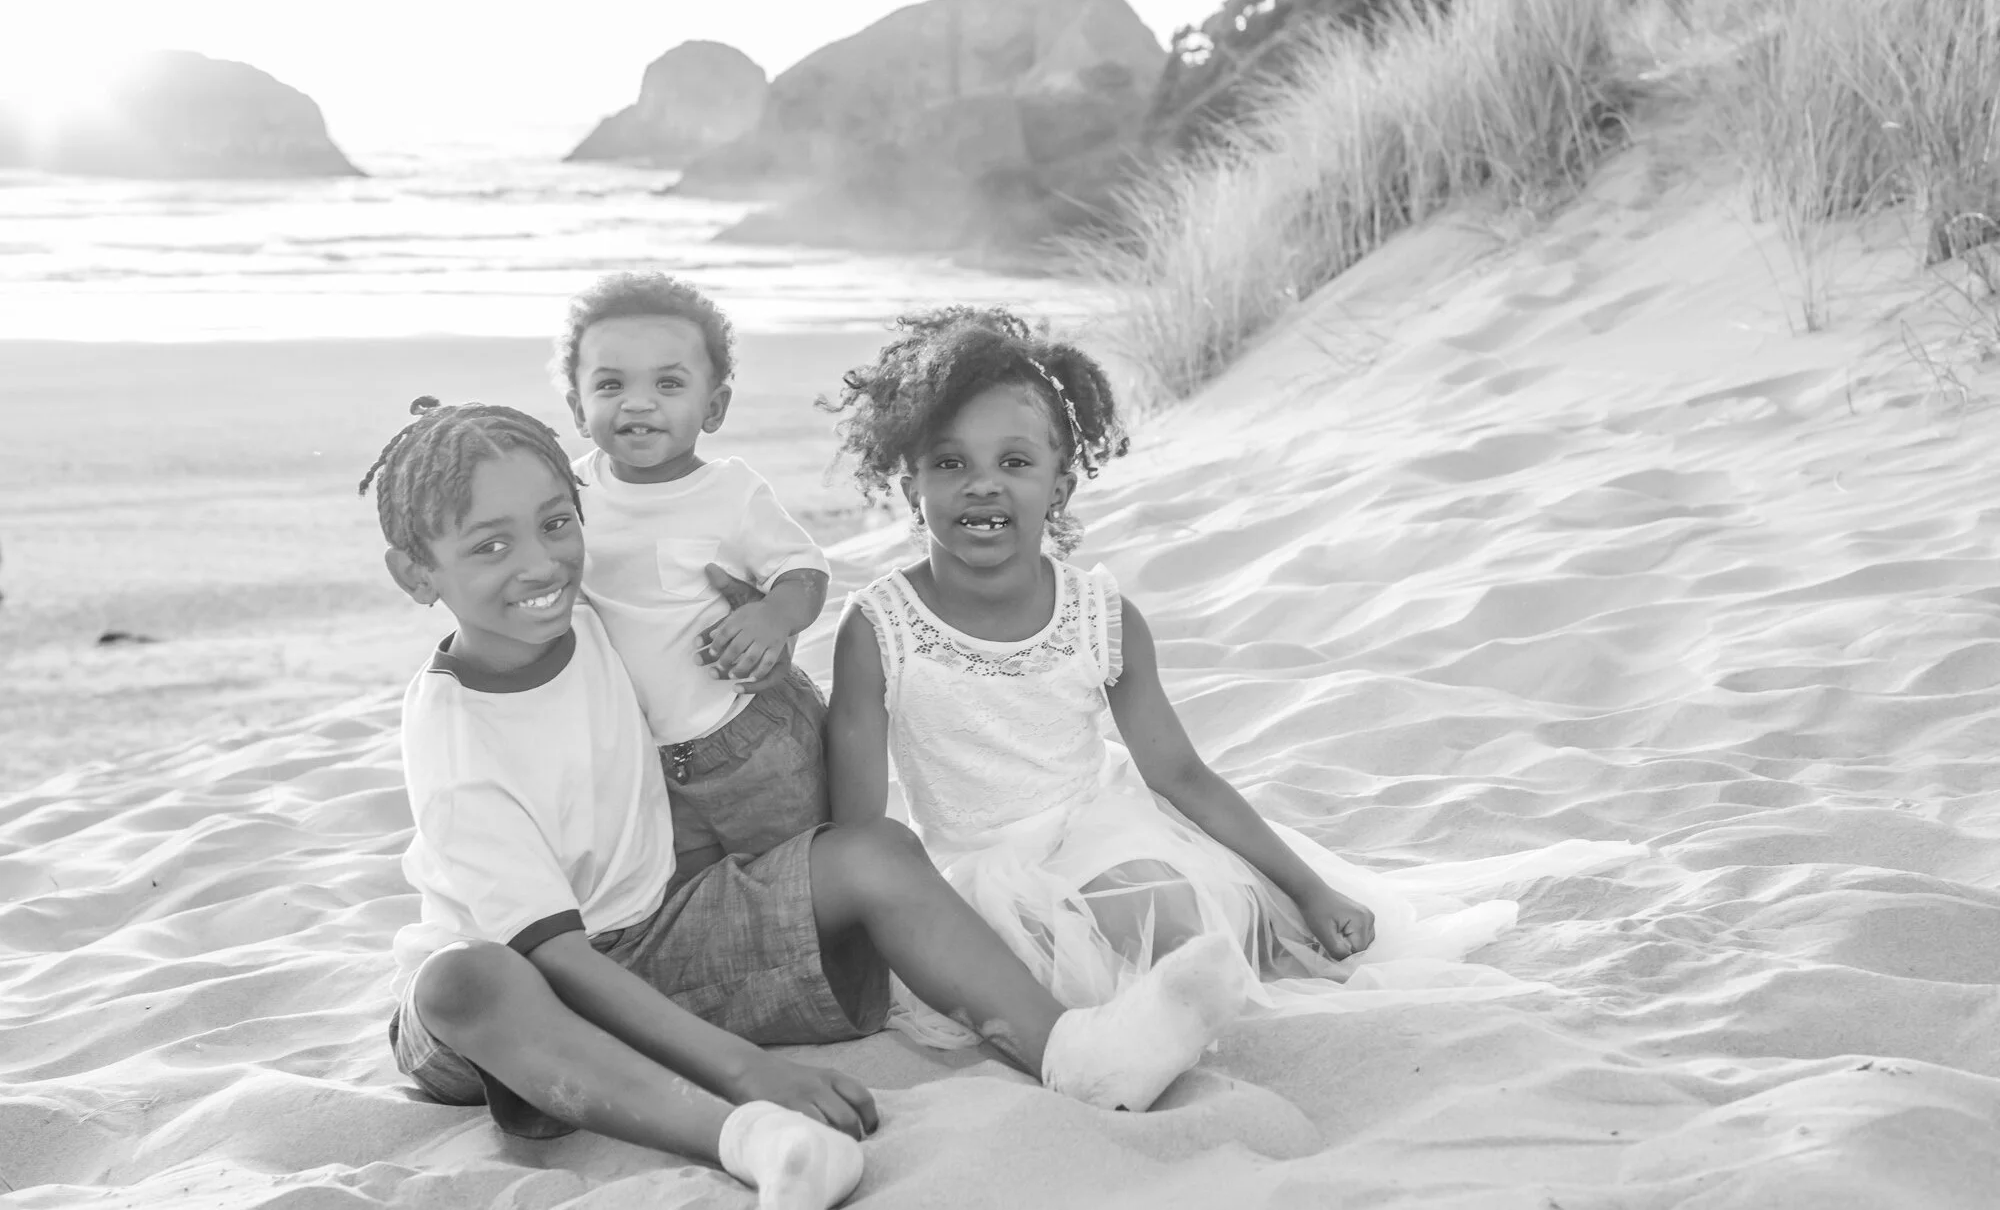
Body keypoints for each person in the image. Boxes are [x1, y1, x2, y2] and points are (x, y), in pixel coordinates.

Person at [361, 398, 1249, 1210]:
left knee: (872, 848)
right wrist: (749, 1074)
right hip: (517, 994)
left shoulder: (587, 608)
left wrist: (771, 618)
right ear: (414, 574)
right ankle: (753, 1141)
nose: (539, 562)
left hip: (656, 936)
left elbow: (727, 613)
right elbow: (554, 951)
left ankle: (1076, 1053)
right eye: (488, 546)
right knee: (463, 976)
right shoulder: (457, 738)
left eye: (556, 523)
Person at [821, 308, 1640, 1044]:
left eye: (1014, 460)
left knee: (1172, 914)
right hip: (974, 865)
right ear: (908, 482)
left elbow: (1178, 773)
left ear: (1060, 484)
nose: (982, 483)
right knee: (1024, 958)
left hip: (1100, 831)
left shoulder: (1098, 617)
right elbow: (861, 828)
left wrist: (1309, 887)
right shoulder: (881, 627)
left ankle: (1199, 992)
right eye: (949, 462)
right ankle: (1130, 1027)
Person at [555, 272, 831, 878]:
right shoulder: (567, 493)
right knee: (693, 894)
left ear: (714, 406)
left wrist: (773, 616)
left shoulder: (728, 491)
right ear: (578, 408)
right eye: (610, 384)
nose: (638, 402)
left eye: (669, 383)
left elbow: (803, 567)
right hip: (645, 761)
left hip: (747, 737)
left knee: (798, 876)